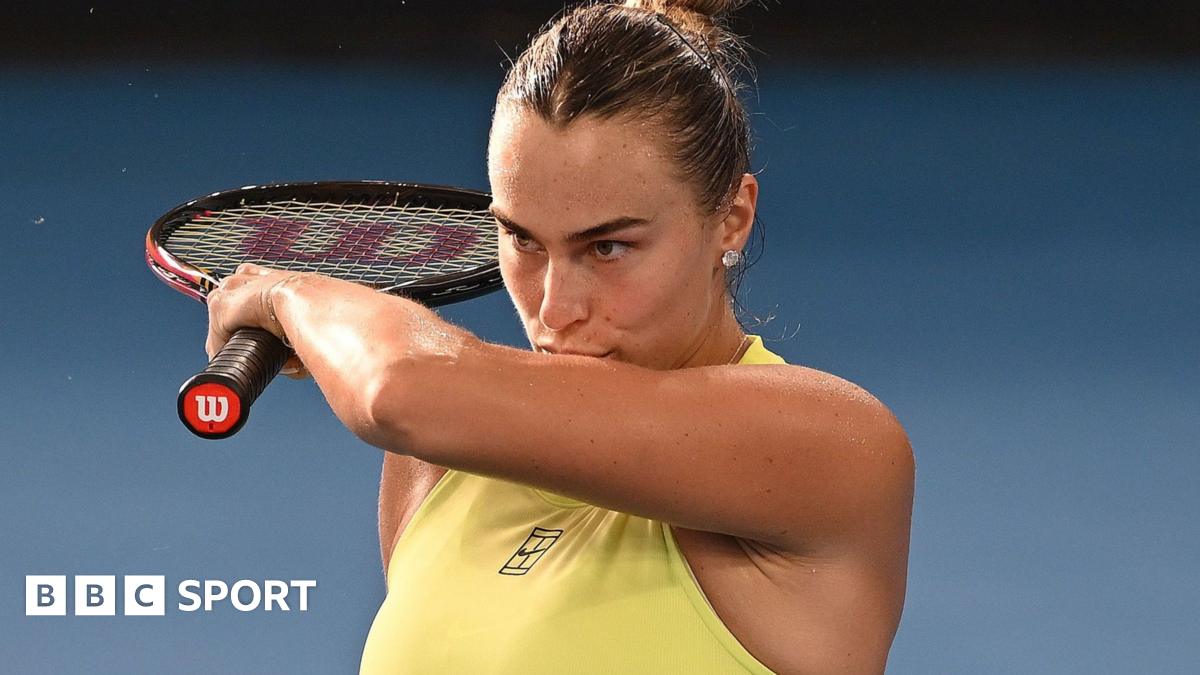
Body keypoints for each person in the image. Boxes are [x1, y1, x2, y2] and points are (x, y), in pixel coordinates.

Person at [204, 0, 914, 672]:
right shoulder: (440, 462)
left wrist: (285, 291)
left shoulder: (833, 446)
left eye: (607, 248)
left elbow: (398, 387)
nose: (555, 306)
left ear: (732, 217)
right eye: (522, 240)